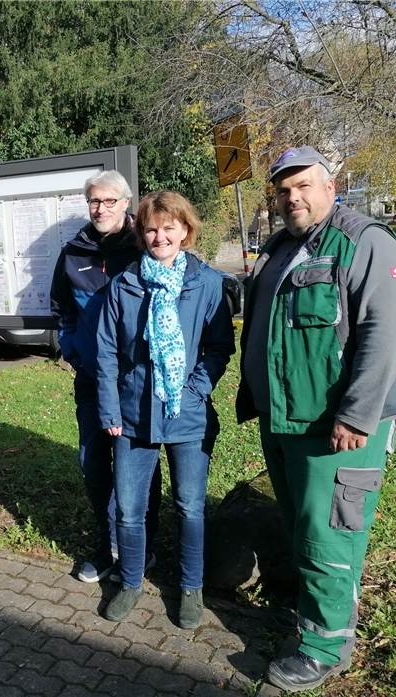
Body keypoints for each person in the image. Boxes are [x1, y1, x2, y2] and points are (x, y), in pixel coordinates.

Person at [237, 146, 396, 692]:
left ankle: (325, 646)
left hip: (338, 429)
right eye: (284, 190)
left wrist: (357, 415)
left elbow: (385, 336)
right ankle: (322, 616)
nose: (293, 197)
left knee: (327, 536)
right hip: (287, 421)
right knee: (303, 529)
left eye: (304, 186)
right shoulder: (282, 246)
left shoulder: (364, 241)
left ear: (330, 186)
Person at [96, 191, 235, 625]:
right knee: (129, 509)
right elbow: (105, 353)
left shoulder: (207, 283)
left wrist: (194, 389)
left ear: (185, 232)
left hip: (187, 414)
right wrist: (110, 411)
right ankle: (131, 581)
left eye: (168, 227)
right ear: (141, 232)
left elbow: (218, 348)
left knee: (191, 505)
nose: (159, 236)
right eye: (151, 228)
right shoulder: (124, 285)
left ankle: (190, 588)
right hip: (133, 415)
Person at [50, 170, 162, 584]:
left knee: (137, 470)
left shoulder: (144, 248)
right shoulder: (73, 253)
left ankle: (143, 547)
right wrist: (74, 350)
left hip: (136, 384)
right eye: (94, 201)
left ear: (126, 204)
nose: (100, 209)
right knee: (94, 467)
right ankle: (107, 543)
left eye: (109, 201)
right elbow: (61, 308)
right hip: (93, 381)